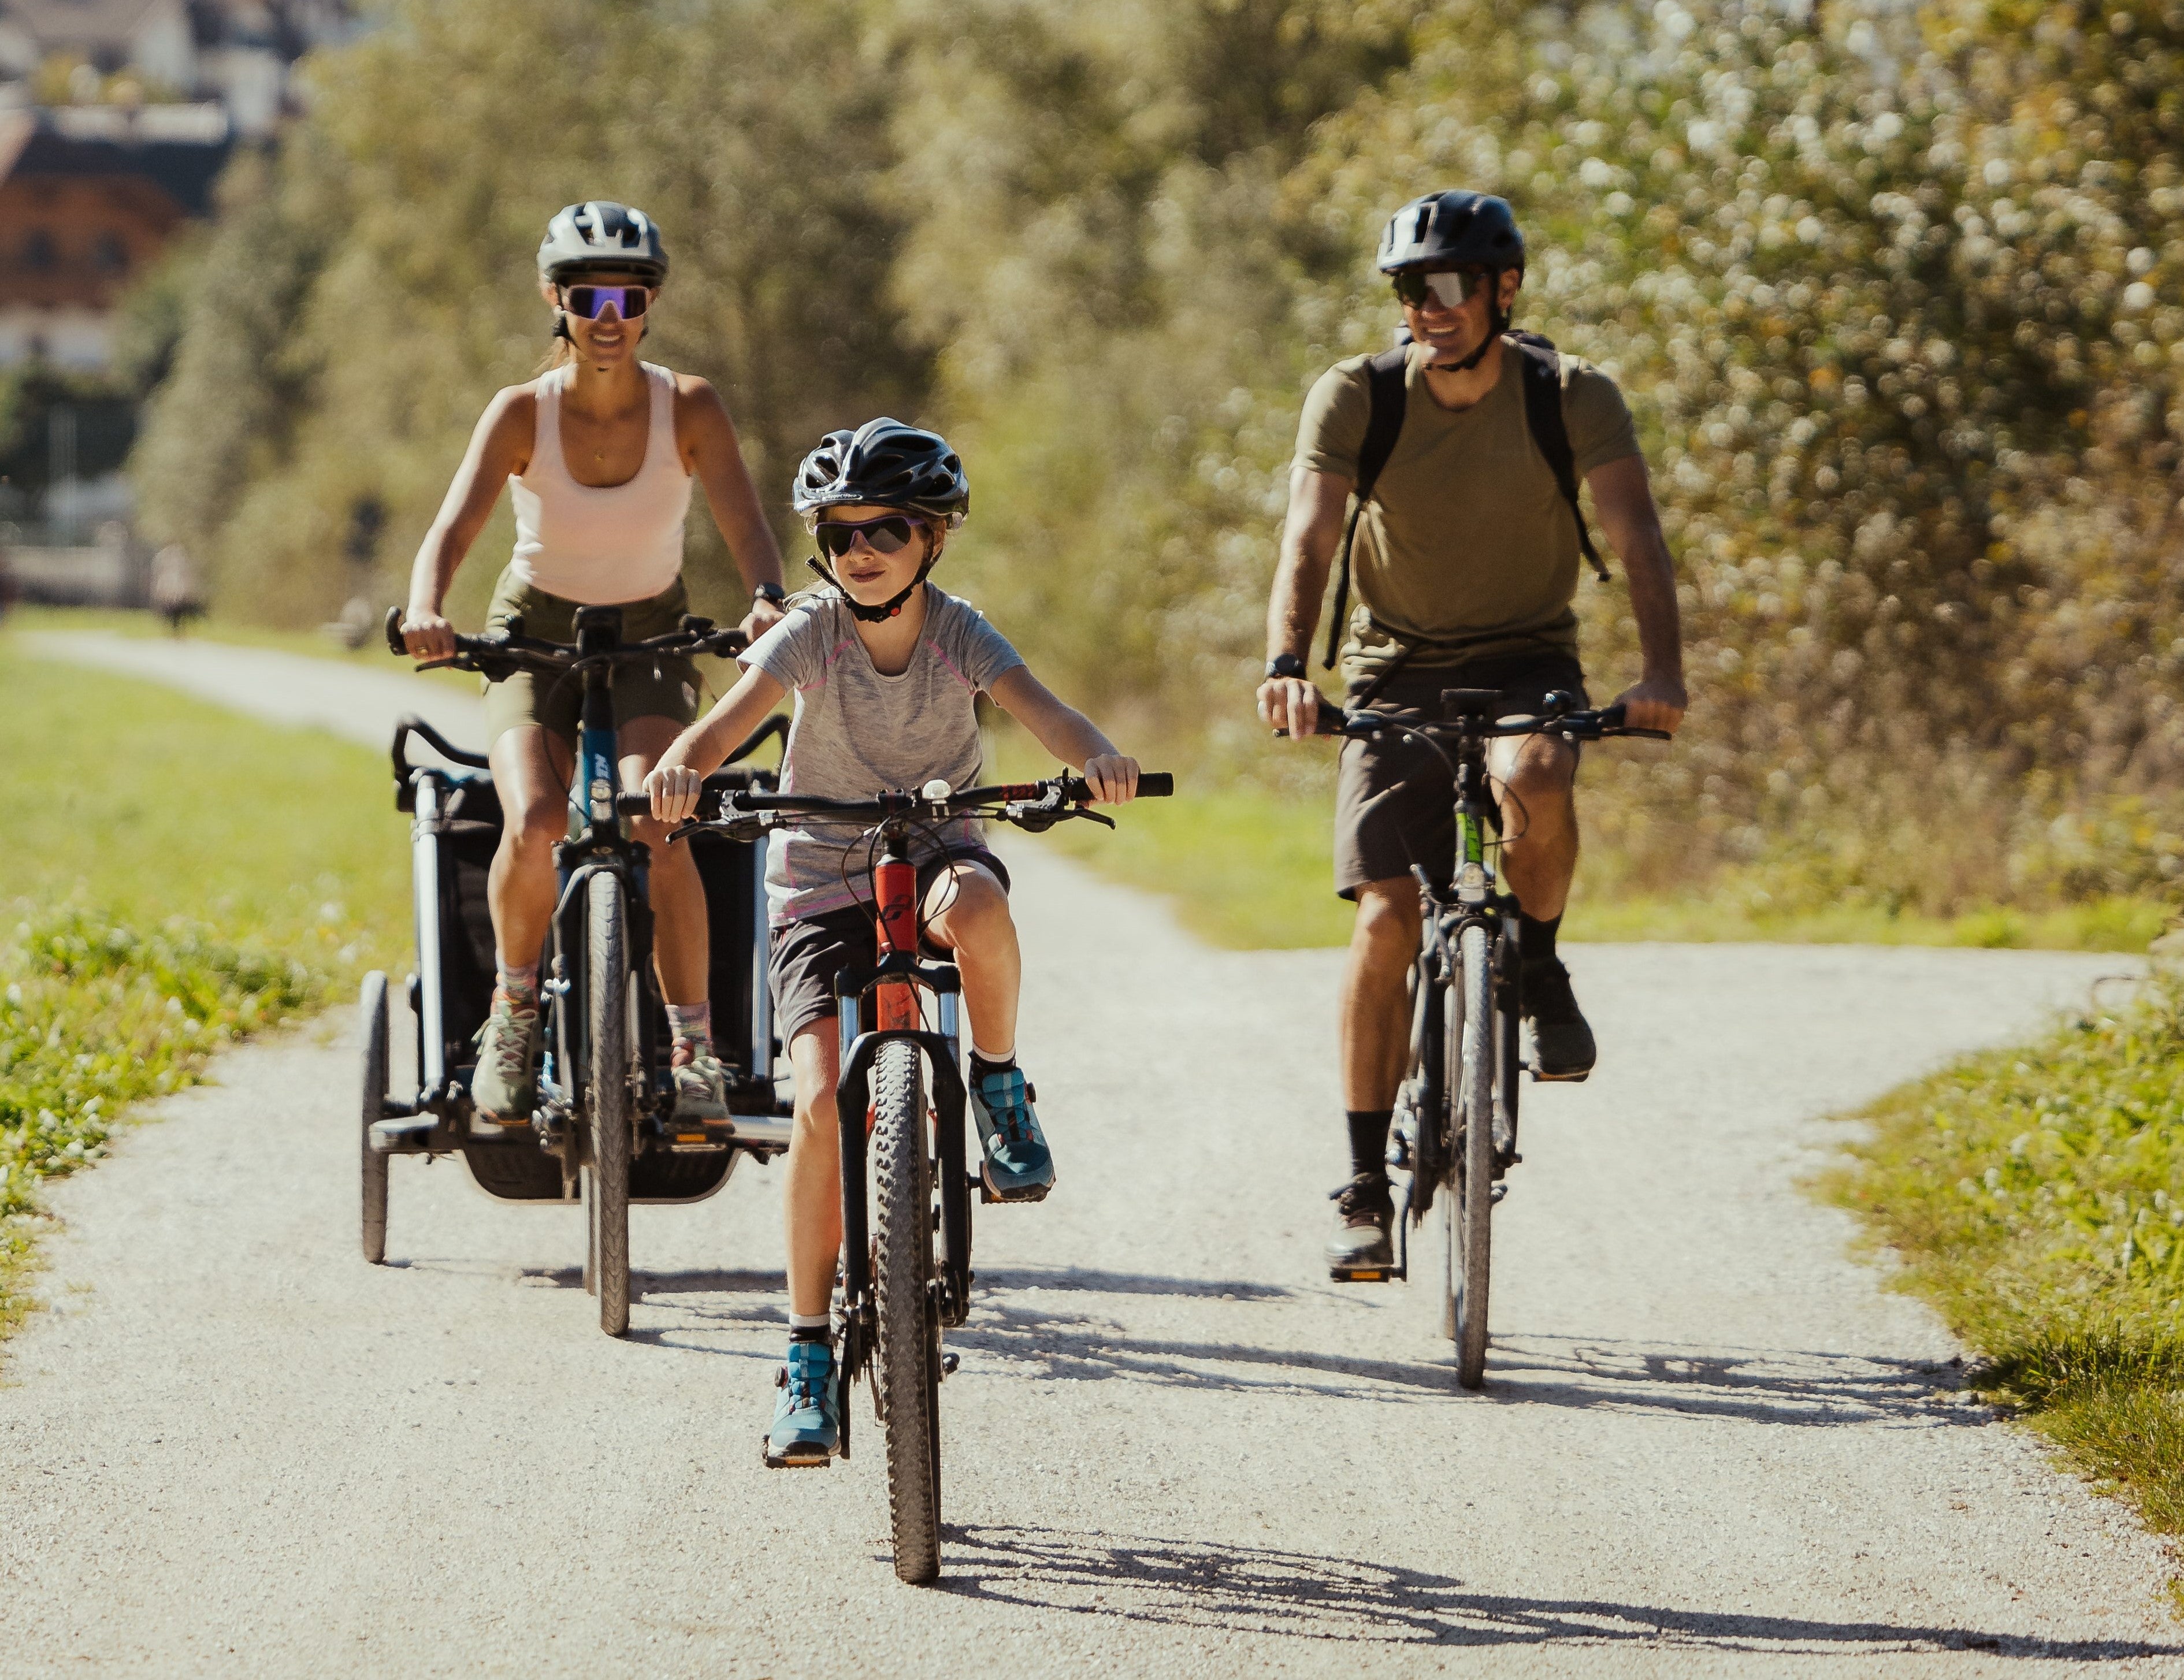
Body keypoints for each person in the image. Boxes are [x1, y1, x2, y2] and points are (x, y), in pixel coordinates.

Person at [643, 418, 1142, 1466]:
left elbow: (1045, 712)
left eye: (887, 530)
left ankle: (1000, 1088)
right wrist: (683, 768)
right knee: (821, 1101)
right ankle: (808, 1354)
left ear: (935, 540)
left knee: (983, 912)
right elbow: (726, 724)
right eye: (841, 531)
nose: (861, 549)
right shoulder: (811, 633)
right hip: (821, 882)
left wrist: (1097, 756)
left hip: (937, 847)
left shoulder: (960, 631)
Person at [1257, 189, 1687, 1278]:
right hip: (1391, 666)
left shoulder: (1569, 393)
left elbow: (1636, 536)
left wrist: (1662, 674)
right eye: (1411, 288)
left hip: (1527, 653)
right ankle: (1362, 1183)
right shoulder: (1356, 394)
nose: (1428, 307)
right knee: (1386, 915)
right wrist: (1286, 667)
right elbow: (1308, 537)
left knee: (1537, 778)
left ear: (1504, 290)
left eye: (1449, 285)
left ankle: (1536, 965)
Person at [399, 201, 788, 1127]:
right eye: (586, 295)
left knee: (664, 813)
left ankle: (695, 1051)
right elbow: (451, 530)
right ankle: (515, 1014)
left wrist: (768, 598)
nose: (607, 315)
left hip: (651, 626)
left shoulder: (688, 406)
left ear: (649, 301)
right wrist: (426, 609)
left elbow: (745, 526)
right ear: (555, 299)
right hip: (534, 628)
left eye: (627, 293)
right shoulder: (520, 413)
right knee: (534, 817)